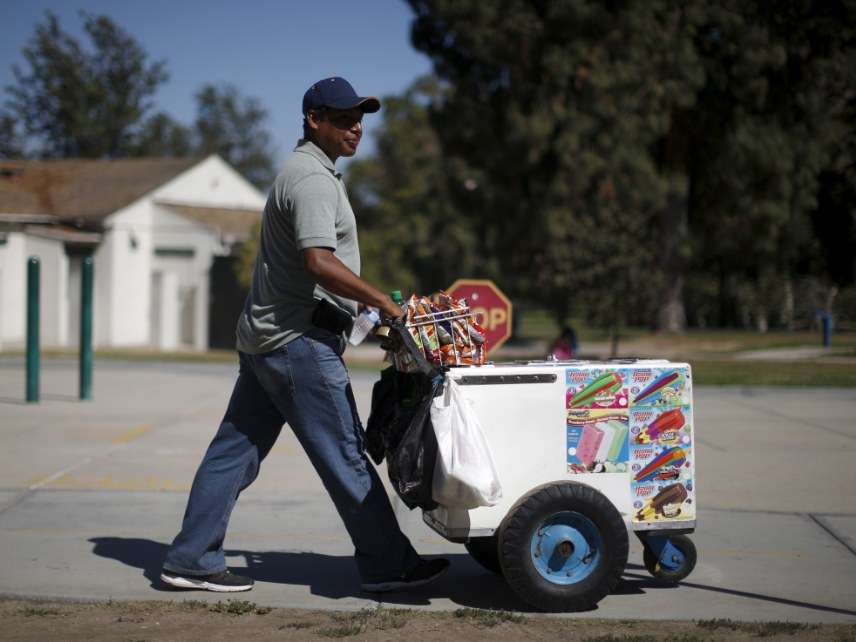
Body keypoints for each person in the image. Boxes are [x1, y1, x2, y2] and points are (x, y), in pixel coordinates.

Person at [160, 77, 449, 593]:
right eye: (342, 118)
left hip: (267, 340)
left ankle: (190, 558)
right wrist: (381, 300)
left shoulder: (305, 172)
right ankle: (388, 564)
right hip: (298, 345)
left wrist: (361, 307)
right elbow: (317, 261)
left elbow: (314, 268)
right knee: (344, 454)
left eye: (359, 118)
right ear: (313, 120)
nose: (355, 127)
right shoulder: (313, 180)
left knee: (232, 453)